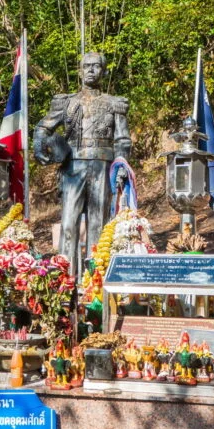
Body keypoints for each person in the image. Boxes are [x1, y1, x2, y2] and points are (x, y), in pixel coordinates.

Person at [33, 52, 131, 275]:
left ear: (104, 72)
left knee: (99, 224)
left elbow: (122, 139)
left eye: (96, 66)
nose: (90, 70)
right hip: (73, 168)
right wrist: (40, 146)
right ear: (79, 71)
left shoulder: (114, 104)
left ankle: (95, 280)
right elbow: (43, 127)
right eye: (86, 66)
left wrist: (121, 165)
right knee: (68, 223)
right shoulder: (67, 102)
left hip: (102, 167)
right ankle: (65, 278)